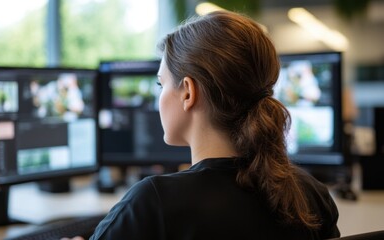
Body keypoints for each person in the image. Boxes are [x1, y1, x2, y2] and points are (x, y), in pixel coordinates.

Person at [72, 10, 341, 240]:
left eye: (160, 84)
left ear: (188, 92)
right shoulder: (311, 194)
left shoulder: (151, 203)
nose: (159, 96)